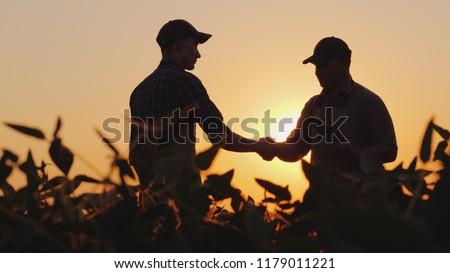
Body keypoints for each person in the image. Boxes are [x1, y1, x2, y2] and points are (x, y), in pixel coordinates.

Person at [129, 19, 274, 196]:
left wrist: (151, 192)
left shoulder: (138, 91)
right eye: (195, 45)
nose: (198, 54)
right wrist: (259, 146)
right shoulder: (184, 81)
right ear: (180, 44)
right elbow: (220, 135)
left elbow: (135, 155)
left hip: (151, 201)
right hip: (183, 196)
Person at [260, 37, 397, 173]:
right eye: (316, 66)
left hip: (359, 193)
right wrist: (274, 148)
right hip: (320, 193)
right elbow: (297, 149)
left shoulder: (368, 101)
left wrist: (356, 152)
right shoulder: (312, 105)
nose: (317, 72)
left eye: (323, 66)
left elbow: (390, 151)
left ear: (344, 65)